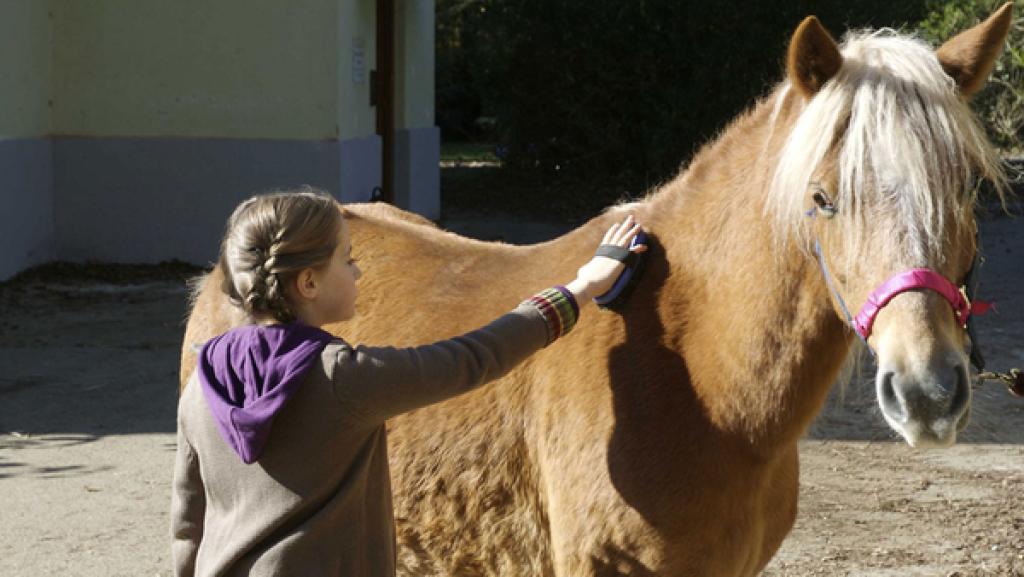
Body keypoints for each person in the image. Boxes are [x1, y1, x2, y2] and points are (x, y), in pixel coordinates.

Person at [171, 186, 647, 576]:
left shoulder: (201, 384)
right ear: (309, 284)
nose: (358, 270)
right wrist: (582, 287)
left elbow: (188, 521)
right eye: (347, 259)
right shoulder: (342, 379)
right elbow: (475, 356)